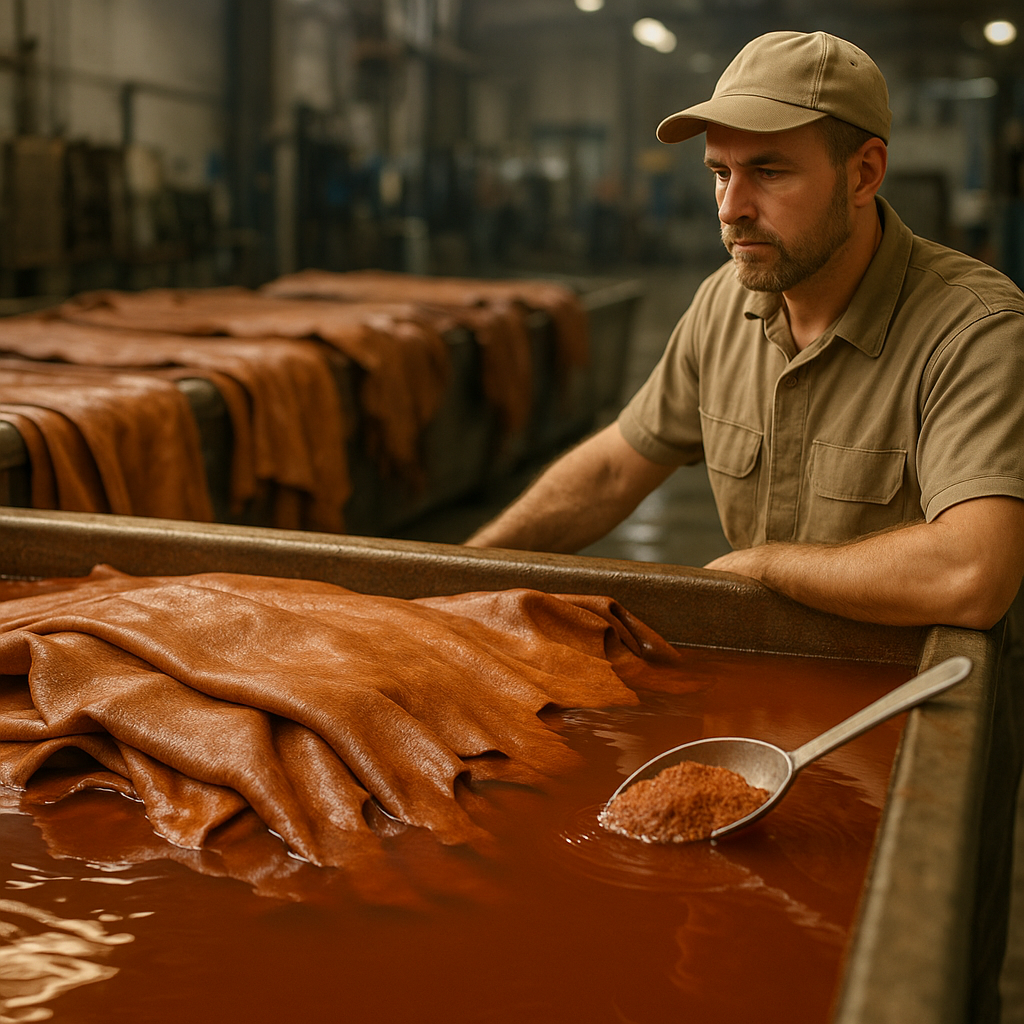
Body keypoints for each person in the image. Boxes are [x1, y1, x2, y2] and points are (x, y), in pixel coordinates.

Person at [465, 30, 1024, 1019]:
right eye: (719, 173)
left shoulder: (973, 331)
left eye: (769, 171)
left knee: (905, 982)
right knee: (734, 970)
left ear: (864, 172)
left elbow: (973, 571)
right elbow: (614, 466)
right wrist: (456, 576)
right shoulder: (725, 305)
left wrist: (763, 564)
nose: (731, 206)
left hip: (913, 729)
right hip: (760, 728)